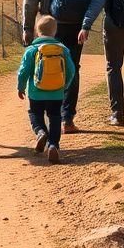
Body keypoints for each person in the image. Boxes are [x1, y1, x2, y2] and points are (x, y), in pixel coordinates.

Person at [21, 0, 96, 133]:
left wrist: (27, 28)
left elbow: (30, 0)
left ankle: (44, 116)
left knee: (44, 64)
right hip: (76, 25)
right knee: (72, 68)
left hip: (48, 27)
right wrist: (86, 24)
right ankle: (67, 119)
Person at [17, 14, 77, 164]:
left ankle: (40, 132)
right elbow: (71, 70)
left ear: (37, 32)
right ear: (55, 32)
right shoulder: (63, 49)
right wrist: (65, 85)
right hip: (56, 92)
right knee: (55, 116)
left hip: (36, 93)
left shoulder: (32, 50)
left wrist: (21, 87)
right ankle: (53, 145)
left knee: (35, 113)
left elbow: (23, 71)